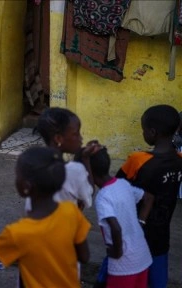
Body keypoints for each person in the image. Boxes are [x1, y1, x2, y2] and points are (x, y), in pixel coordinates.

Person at [0, 146, 91, 288]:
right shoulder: (71, 211)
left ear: (26, 186)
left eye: (17, 175)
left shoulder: (19, 232)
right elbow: (84, 256)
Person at [116, 104, 182, 288]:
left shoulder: (138, 160)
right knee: (158, 281)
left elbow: (116, 187)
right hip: (161, 236)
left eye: (143, 130)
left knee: (125, 277)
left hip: (133, 232)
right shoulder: (179, 161)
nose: (143, 133)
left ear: (152, 132)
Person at [91, 147, 152, 288]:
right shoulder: (123, 184)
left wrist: (117, 252)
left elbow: (115, 228)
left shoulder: (103, 197)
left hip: (124, 265)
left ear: (88, 173)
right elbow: (148, 198)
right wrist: (140, 224)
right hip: (142, 256)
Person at [36, 107, 99, 210]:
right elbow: (88, 193)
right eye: (76, 134)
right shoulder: (73, 171)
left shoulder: (35, 164)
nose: (81, 139)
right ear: (58, 139)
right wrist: (85, 158)